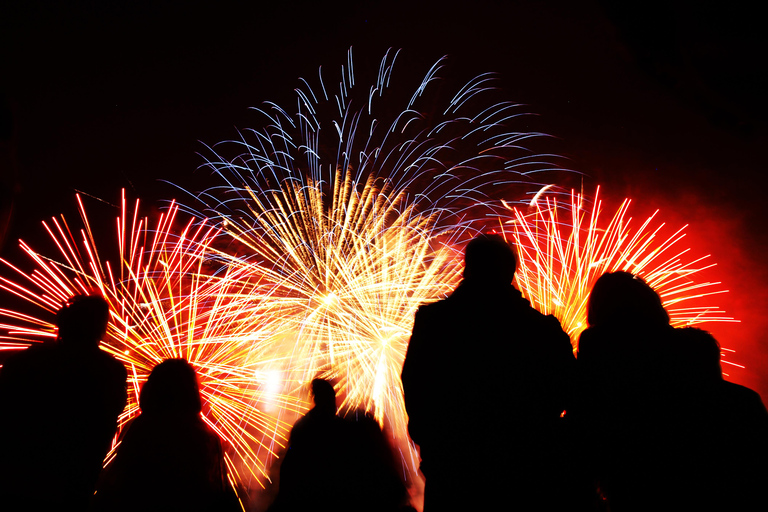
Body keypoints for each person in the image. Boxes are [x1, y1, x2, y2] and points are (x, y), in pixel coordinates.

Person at [401, 233, 577, 511]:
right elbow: (571, 393)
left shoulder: (434, 323)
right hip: (525, 472)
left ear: (467, 269)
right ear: (510, 273)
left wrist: (432, 444)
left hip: (452, 468)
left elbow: (415, 385)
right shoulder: (542, 330)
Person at [0, 293, 127, 511]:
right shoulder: (110, 371)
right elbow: (108, 420)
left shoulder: (25, 362)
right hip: (76, 480)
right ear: (101, 328)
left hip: (18, 475)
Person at [94, 358, 237, 512]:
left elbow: (116, 486)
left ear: (152, 389)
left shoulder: (140, 429)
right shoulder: (207, 438)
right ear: (192, 392)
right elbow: (219, 492)